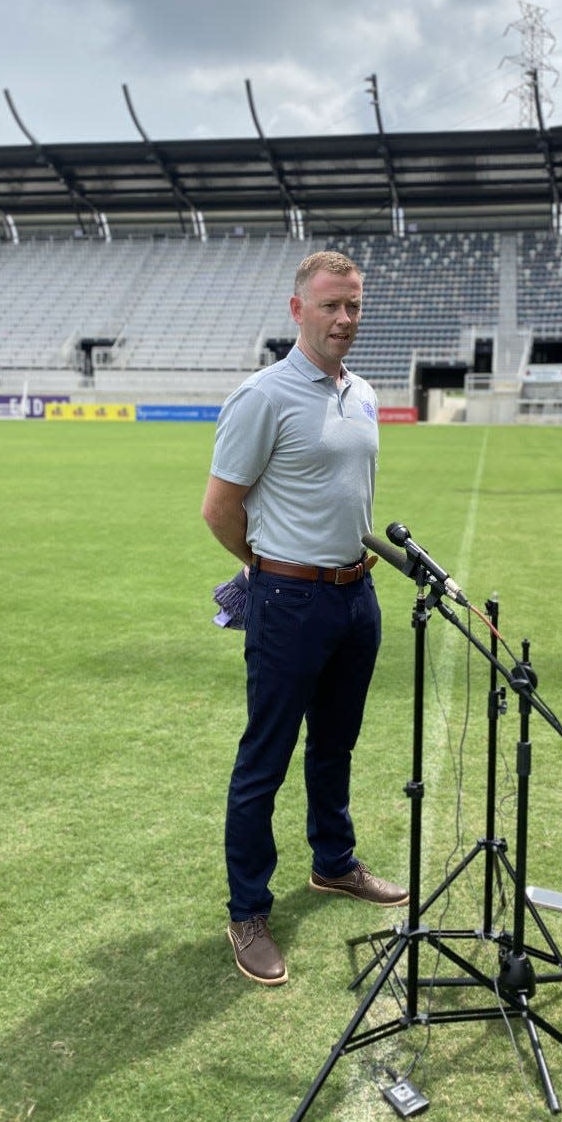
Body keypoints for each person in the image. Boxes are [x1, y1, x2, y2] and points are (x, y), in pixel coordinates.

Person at [201, 249, 408, 986]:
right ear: (298, 310)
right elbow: (219, 509)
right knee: (266, 758)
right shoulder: (263, 395)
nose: (344, 319)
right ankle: (247, 909)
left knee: (336, 746)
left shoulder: (365, 392)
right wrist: (270, 567)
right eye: (330, 306)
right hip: (288, 600)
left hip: (357, 596)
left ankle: (334, 863)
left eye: (353, 306)